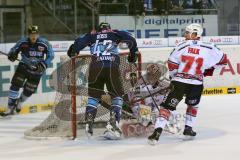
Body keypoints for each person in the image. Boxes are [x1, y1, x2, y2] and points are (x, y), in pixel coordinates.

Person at [148, 23, 227, 145]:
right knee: (193, 106)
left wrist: (174, 77)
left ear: (195, 34)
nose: (185, 35)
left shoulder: (181, 45)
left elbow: (172, 63)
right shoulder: (211, 47)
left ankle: (157, 131)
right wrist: (208, 69)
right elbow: (223, 61)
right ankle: (188, 129)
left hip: (180, 82)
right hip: (197, 83)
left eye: (187, 32)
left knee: (167, 107)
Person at [67, 22, 139, 139]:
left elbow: (77, 43)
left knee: (93, 97)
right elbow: (130, 38)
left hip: (95, 68)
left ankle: (89, 121)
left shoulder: (92, 36)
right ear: (108, 29)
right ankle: (114, 122)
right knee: (117, 96)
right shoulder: (115, 33)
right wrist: (133, 52)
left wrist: (73, 51)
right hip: (112, 67)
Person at [0, 25, 54, 117]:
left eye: (35, 34)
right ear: (28, 35)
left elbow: (51, 55)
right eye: (31, 34)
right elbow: (13, 51)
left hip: (37, 71)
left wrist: (44, 64)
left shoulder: (44, 43)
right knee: (15, 85)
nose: (34, 36)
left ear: (38, 34)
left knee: (29, 91)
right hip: (23, 68)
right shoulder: (22, 42)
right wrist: (12, 55)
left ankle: (19, 102)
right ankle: (10, 108)